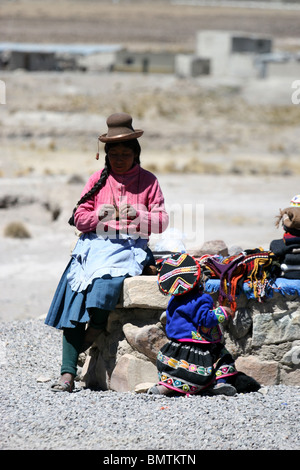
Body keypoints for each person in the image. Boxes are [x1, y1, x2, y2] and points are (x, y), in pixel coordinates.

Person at [45, 112, 169, 392]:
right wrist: (99, 216)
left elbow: (161, 221)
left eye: (126, 153)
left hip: (128, 248)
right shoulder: (96, 180)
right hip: (93, 247)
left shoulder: (148, 181)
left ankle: (89, 338)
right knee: (74, 296)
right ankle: (67, 374)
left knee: (102, 291)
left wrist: (138, 215)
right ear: (106, 155)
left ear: (136, 154)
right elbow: (79, 218)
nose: (120, 159)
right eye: (114, 154)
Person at [148, 253, 238, 396]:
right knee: (222, 357)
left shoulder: (174, 300)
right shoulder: (202, 299)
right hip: (199, 347)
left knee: (175, 372)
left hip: (175, 348)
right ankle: (220, 384)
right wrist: (223, 312)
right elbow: (206, 320)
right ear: (198, 279)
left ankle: (164, 388)